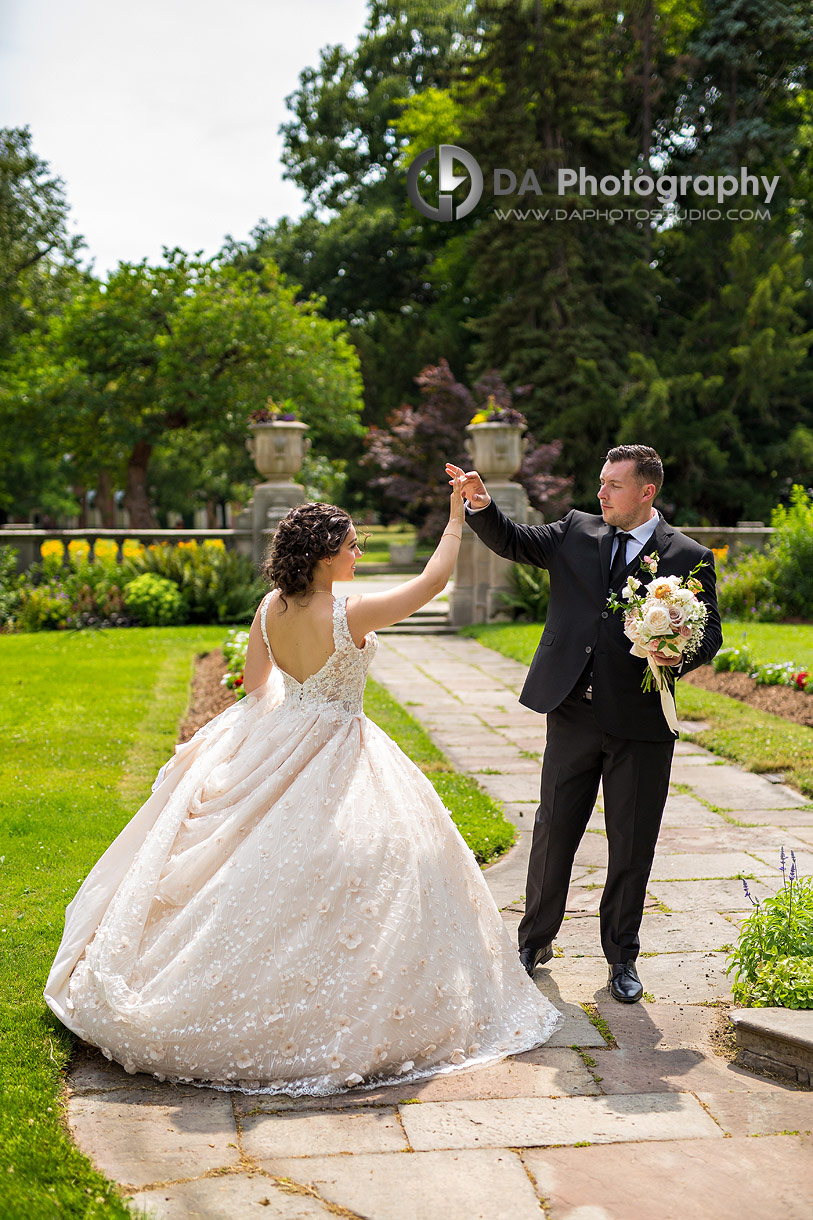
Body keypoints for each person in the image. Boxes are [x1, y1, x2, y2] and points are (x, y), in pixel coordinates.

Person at [44, 478, 559, 1095]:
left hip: (285, 733)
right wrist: (455, 521)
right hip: (341, 743)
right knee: (366, 859)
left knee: (264, 865)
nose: (358, 554)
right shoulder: (347, 613)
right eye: (350, 545)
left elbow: (254, 684)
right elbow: (431, 585)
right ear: (323, 555)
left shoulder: (271, 607)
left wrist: (250, 743)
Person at [446, 445, 722, 1004]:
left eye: (613, 485)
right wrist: (480, 505)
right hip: (571, 709)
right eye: (601, 482)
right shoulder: (576, 530)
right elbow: (515, 540)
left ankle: (622, 956)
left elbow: (710, 631)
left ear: (647, 492)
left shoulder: (687, 555)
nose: (601, 492)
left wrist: (680, 653)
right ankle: (533, 942)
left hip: (640, 722)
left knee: (631, 841)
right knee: (553, 832)